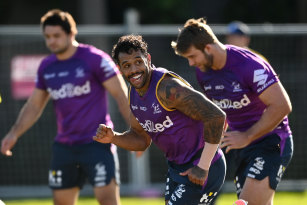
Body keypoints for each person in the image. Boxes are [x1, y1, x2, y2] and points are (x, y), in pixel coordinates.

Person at [1, 9, 131, 205]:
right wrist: (14, 133)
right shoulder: (46, 66)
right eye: (47, 37)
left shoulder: (95, 59)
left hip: (98, 143)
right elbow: (34, 106)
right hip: (65, 147)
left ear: (71, 33)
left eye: (56, 36)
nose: (51, 41)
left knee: (108, 202)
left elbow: (122, 97)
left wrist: (137, 133)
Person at [172, 17, 293, 205]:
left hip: (272, 141)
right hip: (239, 145)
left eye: (192, 56)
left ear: (208, 48)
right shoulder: (203, 71)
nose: (191, 63)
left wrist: (247, 136)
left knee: (247, 203)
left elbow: (282, 106)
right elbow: (219, 113)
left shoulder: (249, 65)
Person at [94, 34, 227, 205]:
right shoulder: (134, 93)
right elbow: (141, 139)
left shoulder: (166, 88)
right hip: (177, 169)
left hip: (201, 166)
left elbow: (216, 116)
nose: (134, 70)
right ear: (120, 69)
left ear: (148, 59)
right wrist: (113, 138)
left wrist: (203, 167)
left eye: (138, 62)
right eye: (127, 66)